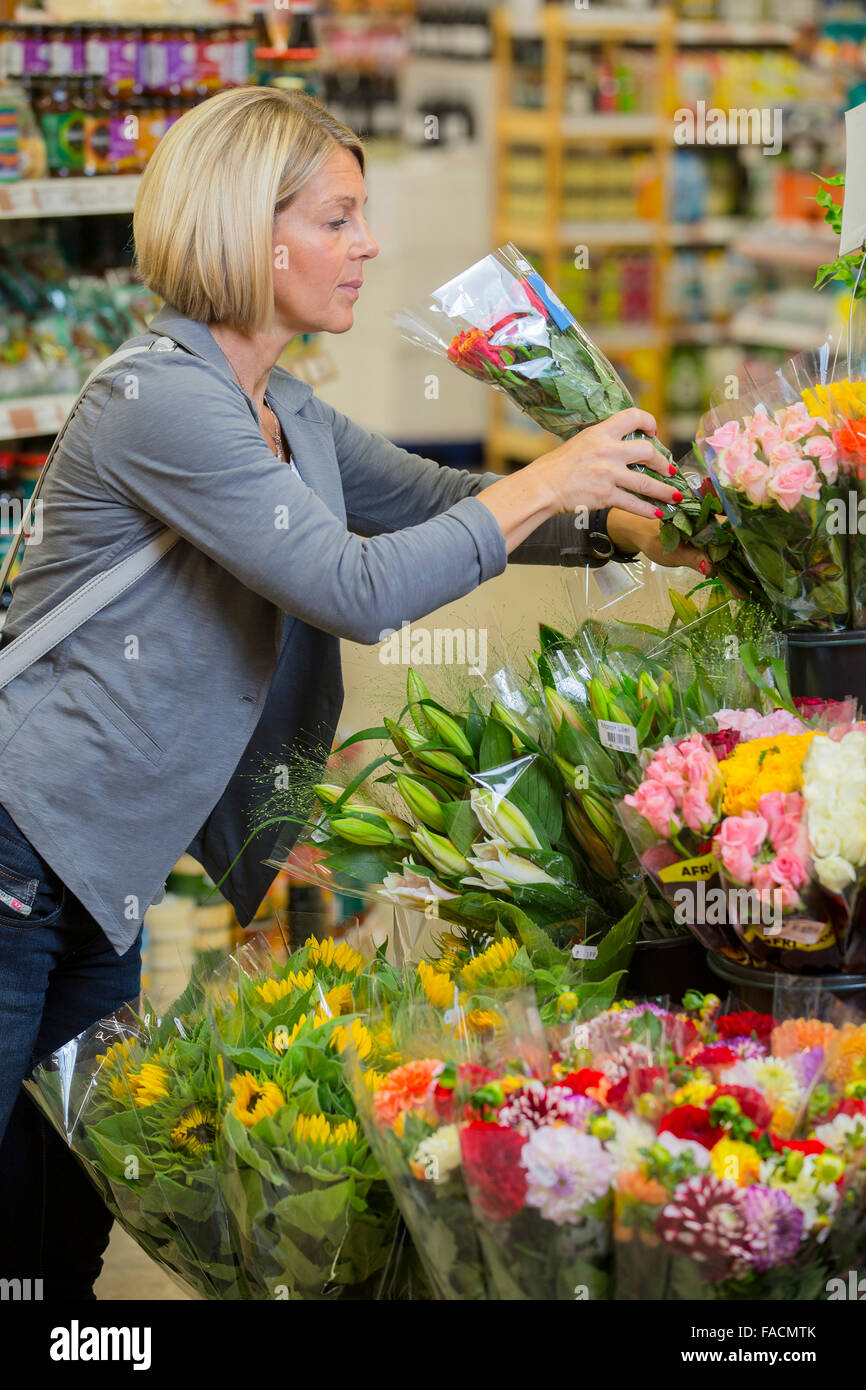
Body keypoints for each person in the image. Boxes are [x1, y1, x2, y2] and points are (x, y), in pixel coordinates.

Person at [0, 85, 705, 1298]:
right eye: (339, 217)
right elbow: (353, 585)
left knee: (65, 1199)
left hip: (95, 874)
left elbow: (431, 506)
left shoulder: (283, 409)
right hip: (21, 847)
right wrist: (547, 478)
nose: (369, 244)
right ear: (247, 231)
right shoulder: (159, 397)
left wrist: (621, 530)